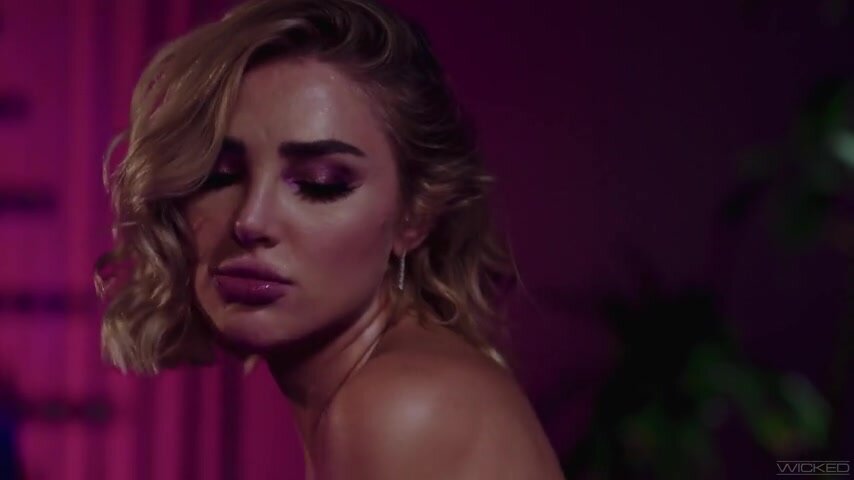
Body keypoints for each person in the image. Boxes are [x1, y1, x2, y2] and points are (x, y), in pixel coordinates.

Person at [95, 0, 564, 478]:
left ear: (414, 217)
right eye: (220, 175)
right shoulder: (391, 386)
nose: (251, 220)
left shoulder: (399, 405)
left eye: (320, 183)